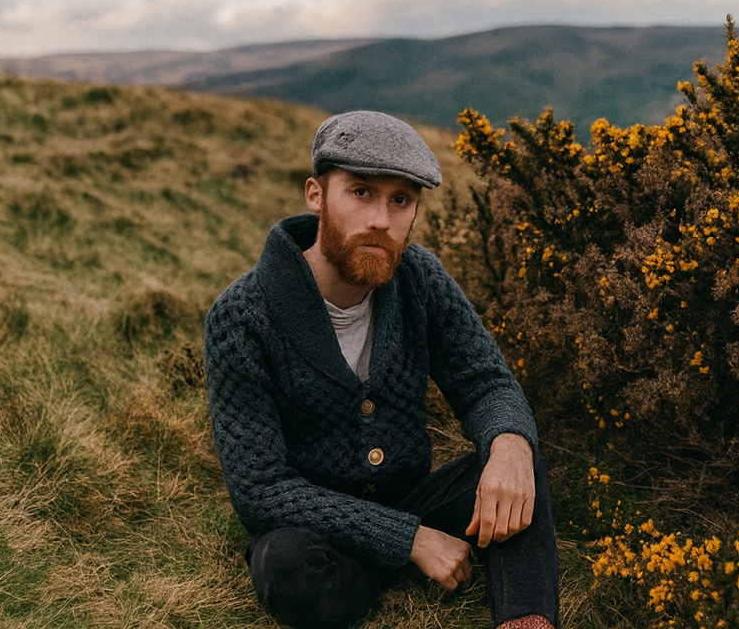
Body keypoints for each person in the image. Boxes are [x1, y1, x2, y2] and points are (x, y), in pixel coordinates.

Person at [204, 110, 559, 629]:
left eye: (401, 200)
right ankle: (376, 575)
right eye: (361, 193)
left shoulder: (420, 279)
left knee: (515, 464)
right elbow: (262, 491)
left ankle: (525, 620)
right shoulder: (241, 318)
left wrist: (508, 444)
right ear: (316, 195)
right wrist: (408, 539)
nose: (380, 219)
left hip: (414, 496)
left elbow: (485, 384)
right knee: (285, 566)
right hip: (315, 528)